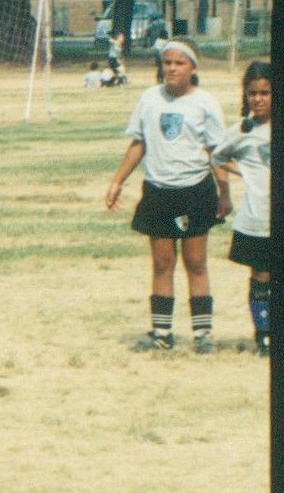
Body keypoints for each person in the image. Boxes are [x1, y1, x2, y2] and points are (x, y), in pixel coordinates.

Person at [105, 38, 230, 353]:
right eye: (167, 62)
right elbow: (139, 144)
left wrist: (225, 191)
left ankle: (203, 335)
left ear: (193, 68)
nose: (172, 68)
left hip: (194, 192)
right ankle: (161, 333)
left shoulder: (205, 103)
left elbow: (216, 152)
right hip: (159, 193)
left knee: (195, 262)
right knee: (162, 263)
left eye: (179, 63)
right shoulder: (150, 99)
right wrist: (117, 181)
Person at [211, 61, 272, 355]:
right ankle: (264, 336)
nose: (258, 99)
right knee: (261, 274)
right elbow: (216, 156)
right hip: (258, 218)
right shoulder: (241, 131)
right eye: (252, 93)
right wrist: (243, 171)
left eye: (265, 93)